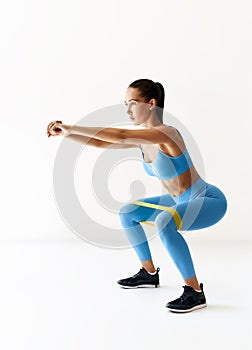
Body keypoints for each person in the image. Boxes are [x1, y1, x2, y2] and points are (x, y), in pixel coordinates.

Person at [47, 78, 228, 313]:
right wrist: (66, 134)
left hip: (206, 201)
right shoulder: (145, 141)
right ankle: (149, 273)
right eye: (125, 104)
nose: (128, 110)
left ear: (151, 103)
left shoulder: (166, 134)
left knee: (165, 221)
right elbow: (102, 143)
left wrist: (72, 126)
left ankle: (194, 291)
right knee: (129, 211)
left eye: (133, 103)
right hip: (178, 201)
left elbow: (120, 135)